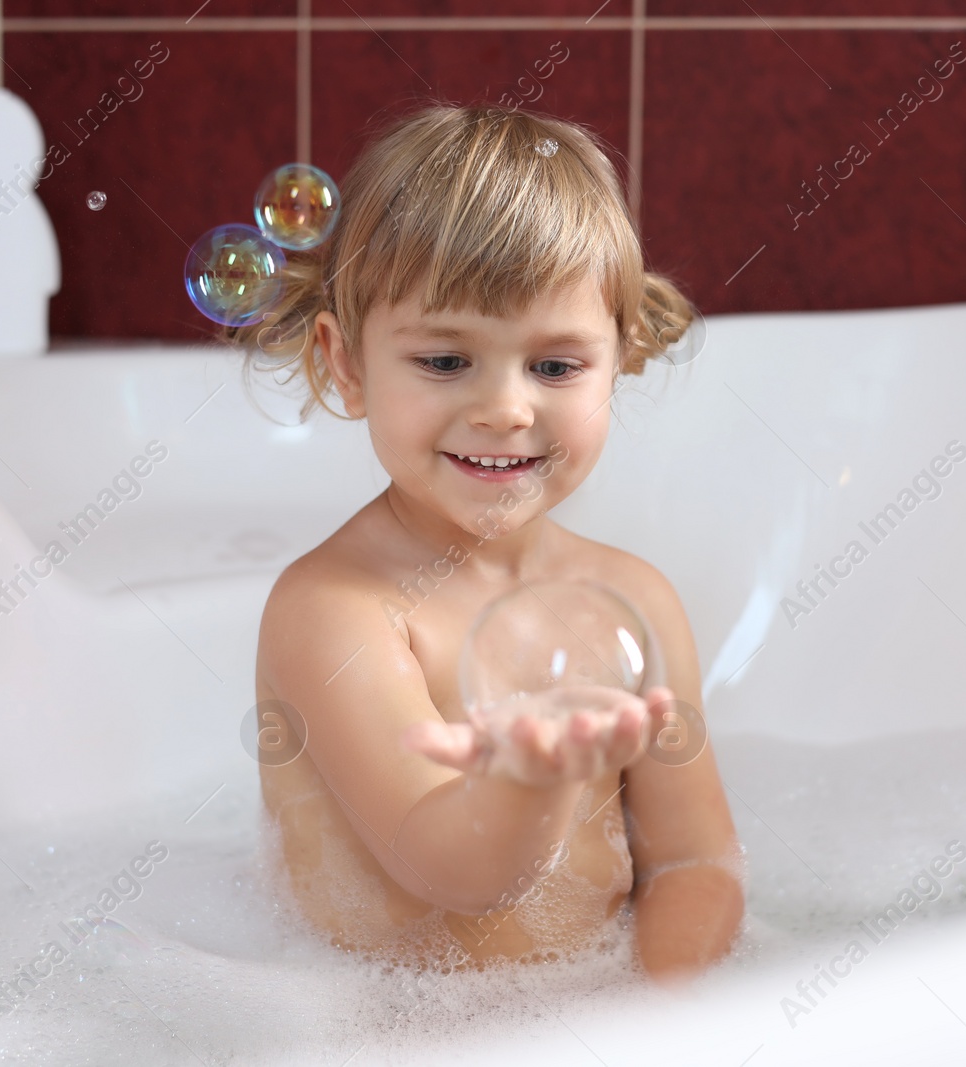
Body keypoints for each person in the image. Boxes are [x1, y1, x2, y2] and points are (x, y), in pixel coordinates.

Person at [227, 104, 743, 985]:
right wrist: (528, 780)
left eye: (555, 366)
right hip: (389, 1035)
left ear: (618, 360)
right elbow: (447, 869)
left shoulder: (637, 602)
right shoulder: (338, 609)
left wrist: (663, 1017)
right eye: (444, 360)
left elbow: (697, 863)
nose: (506, 409)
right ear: (346, 364)